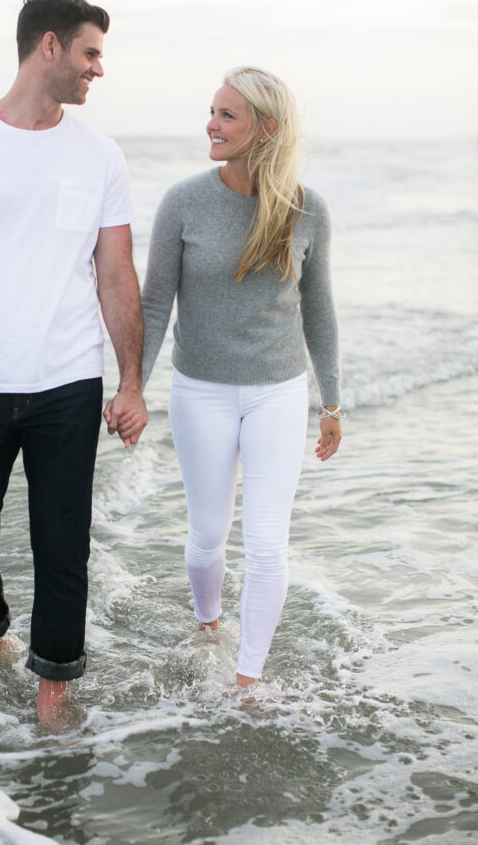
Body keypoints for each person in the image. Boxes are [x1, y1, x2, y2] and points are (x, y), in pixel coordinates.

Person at [0, 0, 148, 723]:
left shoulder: (99, 154)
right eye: (90, 52)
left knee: (61, 542)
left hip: (67, 381)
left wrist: (131, 380)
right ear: (49, 46)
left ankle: (53, 692)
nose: (98, 69)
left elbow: (114, 276)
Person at [139, 66, 343, 688]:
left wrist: (331, 402)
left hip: (279, 391)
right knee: (207, 536)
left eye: (228, 115)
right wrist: (130, 389)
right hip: (200, 389)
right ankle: (209, 625)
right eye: (212, 111)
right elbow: (154, 305)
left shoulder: (307, 210)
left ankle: (248, 682)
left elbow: (319, 310)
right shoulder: (183, 201)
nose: (212, 123)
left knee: (266, 543)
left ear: (266, 128)